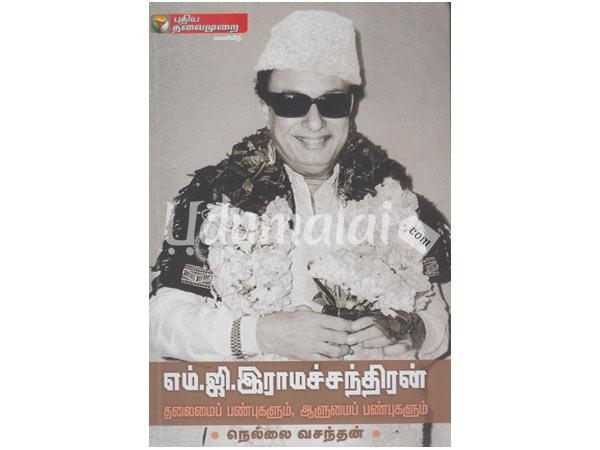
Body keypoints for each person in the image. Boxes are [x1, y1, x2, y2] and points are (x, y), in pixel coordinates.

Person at [149, 10, 450, 363]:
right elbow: (160, 321)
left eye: (332, 102)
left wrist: (411, 331)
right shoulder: (212, 201)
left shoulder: (400, 208)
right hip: (254, 398)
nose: (315, 122)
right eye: (292, 103)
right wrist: (261, 334)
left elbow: (438, 323)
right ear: (266, 110)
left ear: (350, 109)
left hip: (368, 397)